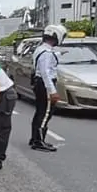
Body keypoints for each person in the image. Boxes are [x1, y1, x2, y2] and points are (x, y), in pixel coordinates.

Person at [30, 23, 67, 152]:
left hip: (40, 83)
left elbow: (46, 62)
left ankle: (35, 138)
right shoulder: (46, 53)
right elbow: (45, 72)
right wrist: (52, 91)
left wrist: (59, 54)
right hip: (45, 84)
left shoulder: (42, 49)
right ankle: (39, 141)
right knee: (45, 113)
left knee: (40, 112)